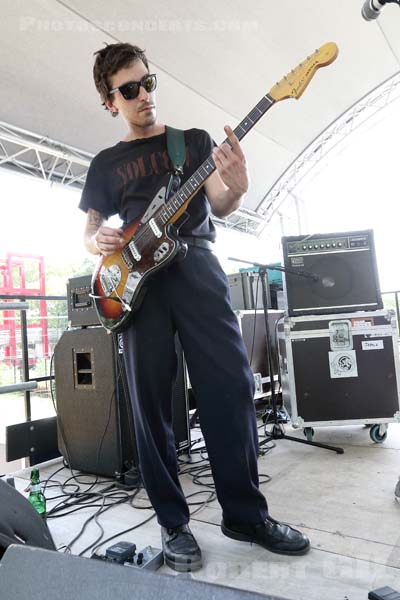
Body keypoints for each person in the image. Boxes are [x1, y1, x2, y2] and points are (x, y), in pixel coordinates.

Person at [79, 42, 310, 572]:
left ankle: (246, 515)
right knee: (152, 404)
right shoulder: (107, 164)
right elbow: (89, 233)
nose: (144, 95)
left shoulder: (192, 143)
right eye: (130, 89)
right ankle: (173, 525)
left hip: (197, 265)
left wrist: (240, 185)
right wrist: (103, 242)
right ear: (110, 101)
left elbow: (222, 203)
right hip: (137, 285)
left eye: (148, 82)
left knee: (231, 385)